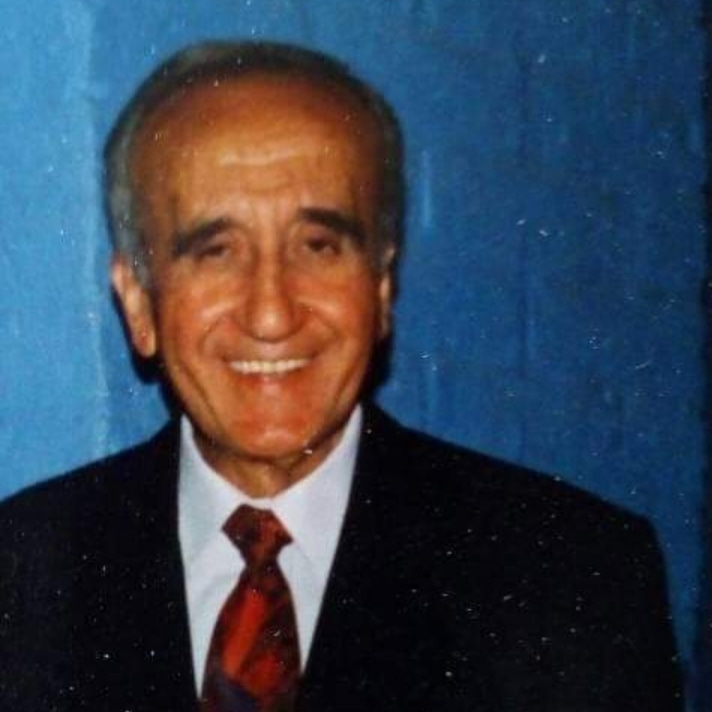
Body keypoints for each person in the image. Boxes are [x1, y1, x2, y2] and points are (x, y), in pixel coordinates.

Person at [0, 41, 683, 711]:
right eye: (215, 251)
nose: (272, 313)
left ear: (381, 287)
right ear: (138, 303)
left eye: (318, 246)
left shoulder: (567, 580)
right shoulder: (24, 573)